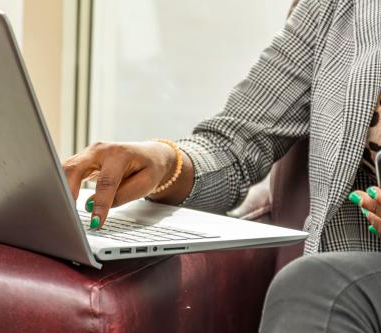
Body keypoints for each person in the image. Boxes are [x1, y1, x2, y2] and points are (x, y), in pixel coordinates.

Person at [63, 0, 381, 331]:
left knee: (316, 285)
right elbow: (235, 143)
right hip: (359, 281)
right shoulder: (341, 8)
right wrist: (163, 161)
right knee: (317, 286)